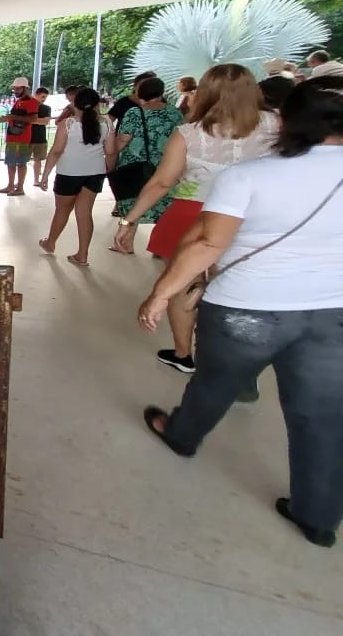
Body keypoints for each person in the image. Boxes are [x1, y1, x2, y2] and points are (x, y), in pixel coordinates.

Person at [138, 75, 343, 549]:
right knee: (323, 416)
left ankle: (182, 436)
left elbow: (209, 242)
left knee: (214, 383)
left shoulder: (251, 176)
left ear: (287, 119)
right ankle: (318, 517)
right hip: (332, 310)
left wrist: (161, 294)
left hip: (248, 306)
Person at [114, 64, 280, 376]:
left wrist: (129, 221)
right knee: (233, 287)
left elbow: (162, 182)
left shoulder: (190, 134)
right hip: (250, 218)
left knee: (184, 283)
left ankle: (183, 353)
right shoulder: (274, 125)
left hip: (192, 214)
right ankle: (231, 359)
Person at [38, 88, 113, 266]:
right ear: (97, 104)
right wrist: (110, 169)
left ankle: (50, 242)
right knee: (85, 213)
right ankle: (83, 254)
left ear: (74, 103)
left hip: (69, 173)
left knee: (62, 211)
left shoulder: (68, 124)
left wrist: (45, 174)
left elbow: (56, 151)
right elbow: (110, 152)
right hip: (95, 173)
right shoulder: (107, 123)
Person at [108, 76, 185, 227]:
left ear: (140, 92)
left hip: (135, 166)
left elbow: (123, 139)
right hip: (167, 165)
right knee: (162, 204)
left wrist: (112, 154)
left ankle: (126, 240)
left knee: (133, 203)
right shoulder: (175, 113)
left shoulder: (135, 113)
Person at [0, 77, 39, 196]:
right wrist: (8, 118)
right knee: (10, 162)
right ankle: (11, 185)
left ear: (25, 88)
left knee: (21, 163)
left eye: (18, 88)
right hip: (12, 136)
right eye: (15, 89)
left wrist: (12, 117)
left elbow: (33, 118)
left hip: (22, 138)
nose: (16, 91)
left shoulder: (32, 102)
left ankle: (20, 188)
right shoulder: (18, 101)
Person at [31, 87, 54, 188]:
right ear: (36, 94)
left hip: (40, 137)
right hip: (27, 137)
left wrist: (32, 120)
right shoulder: (29, 106)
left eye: (45, 97)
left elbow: (46, 121)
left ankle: (36, 180)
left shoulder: (46, 108)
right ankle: (19, 182)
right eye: (42, 96)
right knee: (21, 161)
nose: (44, 99)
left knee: (38, 160)